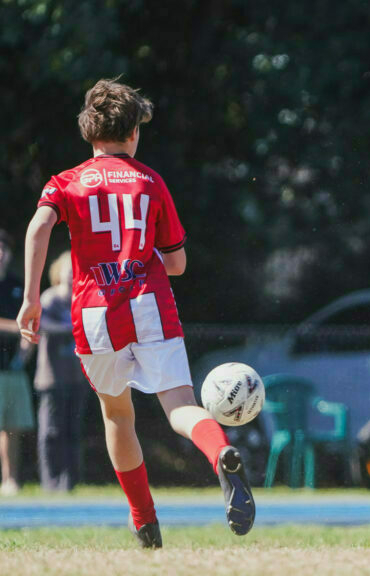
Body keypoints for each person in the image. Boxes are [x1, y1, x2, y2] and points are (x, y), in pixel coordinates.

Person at [16, 78, 255, 548]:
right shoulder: (149, 181)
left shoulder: (65, 182)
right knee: (181, 405)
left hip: (94, 311)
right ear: (133, 134)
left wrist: (30, 297)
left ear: (89, 133)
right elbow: (178, 263)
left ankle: (144, 520)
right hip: (149, 304)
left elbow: (39, 226)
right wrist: (142, 255)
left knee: (117, 416)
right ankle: (221, 450)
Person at [34, 251, 91, 492]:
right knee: (51, 432)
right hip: (51, 378)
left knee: (73, 432)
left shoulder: (83, 299)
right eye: (68, 269)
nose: (71, 274)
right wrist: (75, 329)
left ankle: (70, 482)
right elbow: (44, 326)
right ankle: (51, 482)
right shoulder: (49, 299)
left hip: (78, 377)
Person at [0, 229, 34, 496]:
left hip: (12, 369)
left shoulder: (17, 285)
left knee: (12, 429)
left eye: (4, 248)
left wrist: (25, 349)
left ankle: (10, 479)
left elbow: (31, 324)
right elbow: (19, 325)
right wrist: (18, 328)